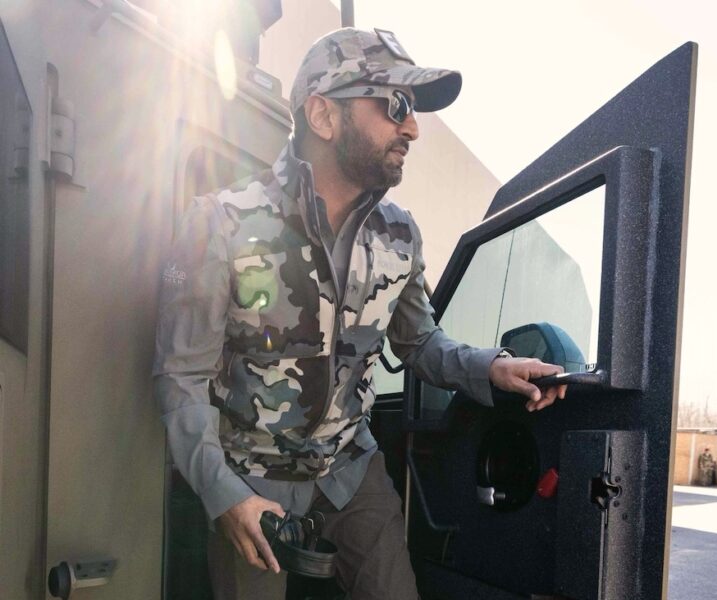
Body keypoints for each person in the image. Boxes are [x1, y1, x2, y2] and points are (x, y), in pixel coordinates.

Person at [153, 27, 566, 600]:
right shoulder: (221, 224)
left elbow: (420, 343)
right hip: (250, 476)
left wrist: (492, 368)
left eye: (413, 110)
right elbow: (181, 376)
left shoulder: (400, 234)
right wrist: (224, 495)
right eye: (395, 105)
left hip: (350, 470)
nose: (413, 128)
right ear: (323, 115)